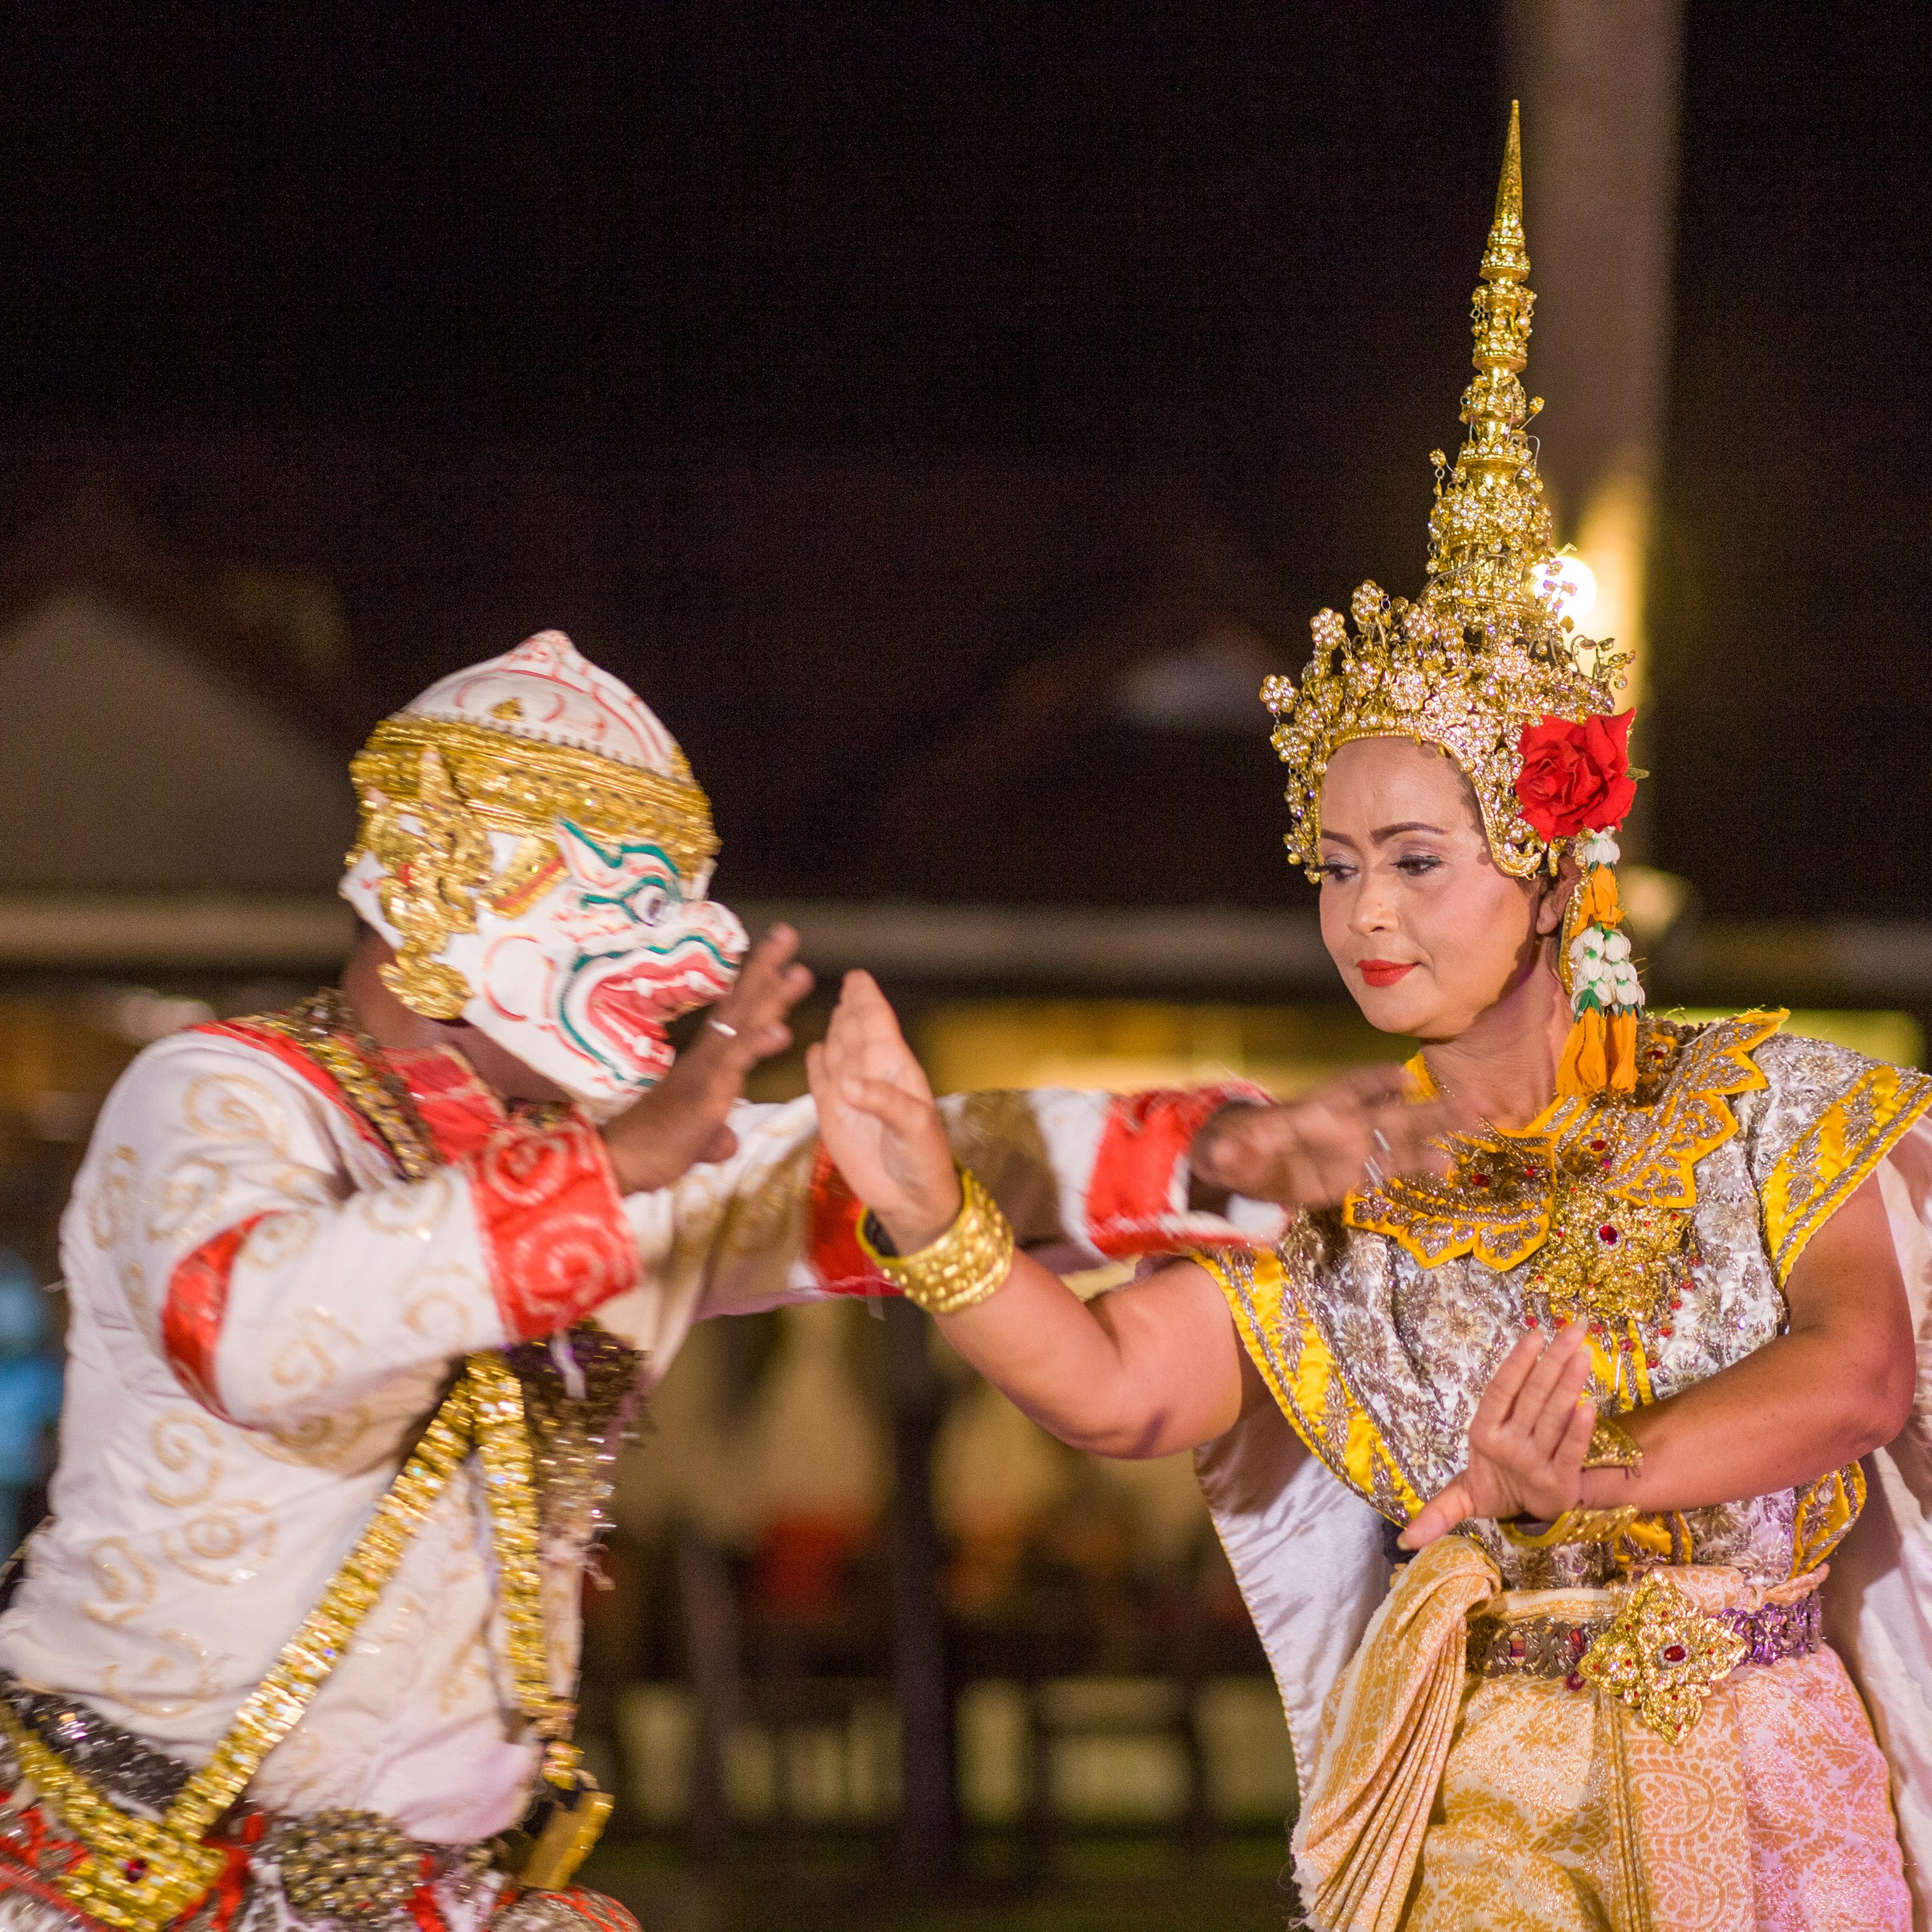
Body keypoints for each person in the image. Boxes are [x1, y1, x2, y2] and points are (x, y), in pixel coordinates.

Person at [805, 107, 1932, 1931]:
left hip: (1756, 1778)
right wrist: (928, 1211)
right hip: (1482, 1814)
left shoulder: (1771, 1104)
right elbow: (1109, 1387)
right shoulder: (1351, 1188)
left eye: (1415, 857)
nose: (1366, 912)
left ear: (1556, 867)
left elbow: (1860, 1373)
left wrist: (1593, 1469)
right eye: (1333, 866)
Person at [0, 629, 1269, 1932]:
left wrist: (1232, 1150)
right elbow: (245, 1325)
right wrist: (611, 1170)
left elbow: (903, 1163)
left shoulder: (624, 1164)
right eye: (631, 901)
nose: (697, 956)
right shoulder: (220, 1095)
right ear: (442, 881)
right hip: (117, 1886)